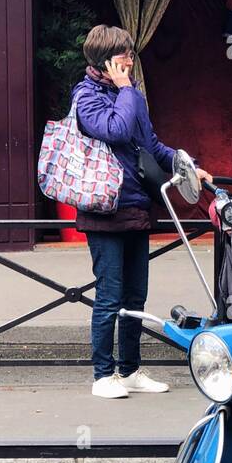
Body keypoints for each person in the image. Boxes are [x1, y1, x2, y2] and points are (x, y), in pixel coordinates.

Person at [71, 25, 212, 399]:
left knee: (136, 296)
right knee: (109, 295)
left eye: (131, 55)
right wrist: (126, 91)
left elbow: (149, 144)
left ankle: (130, 370)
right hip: (104, 211)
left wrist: (187, 166)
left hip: (135, 206)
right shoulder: (86, 96)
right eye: (124, 56)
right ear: (105, 60)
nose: (131, 61)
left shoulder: (130, 95)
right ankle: (103, 375)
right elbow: (115, 131)